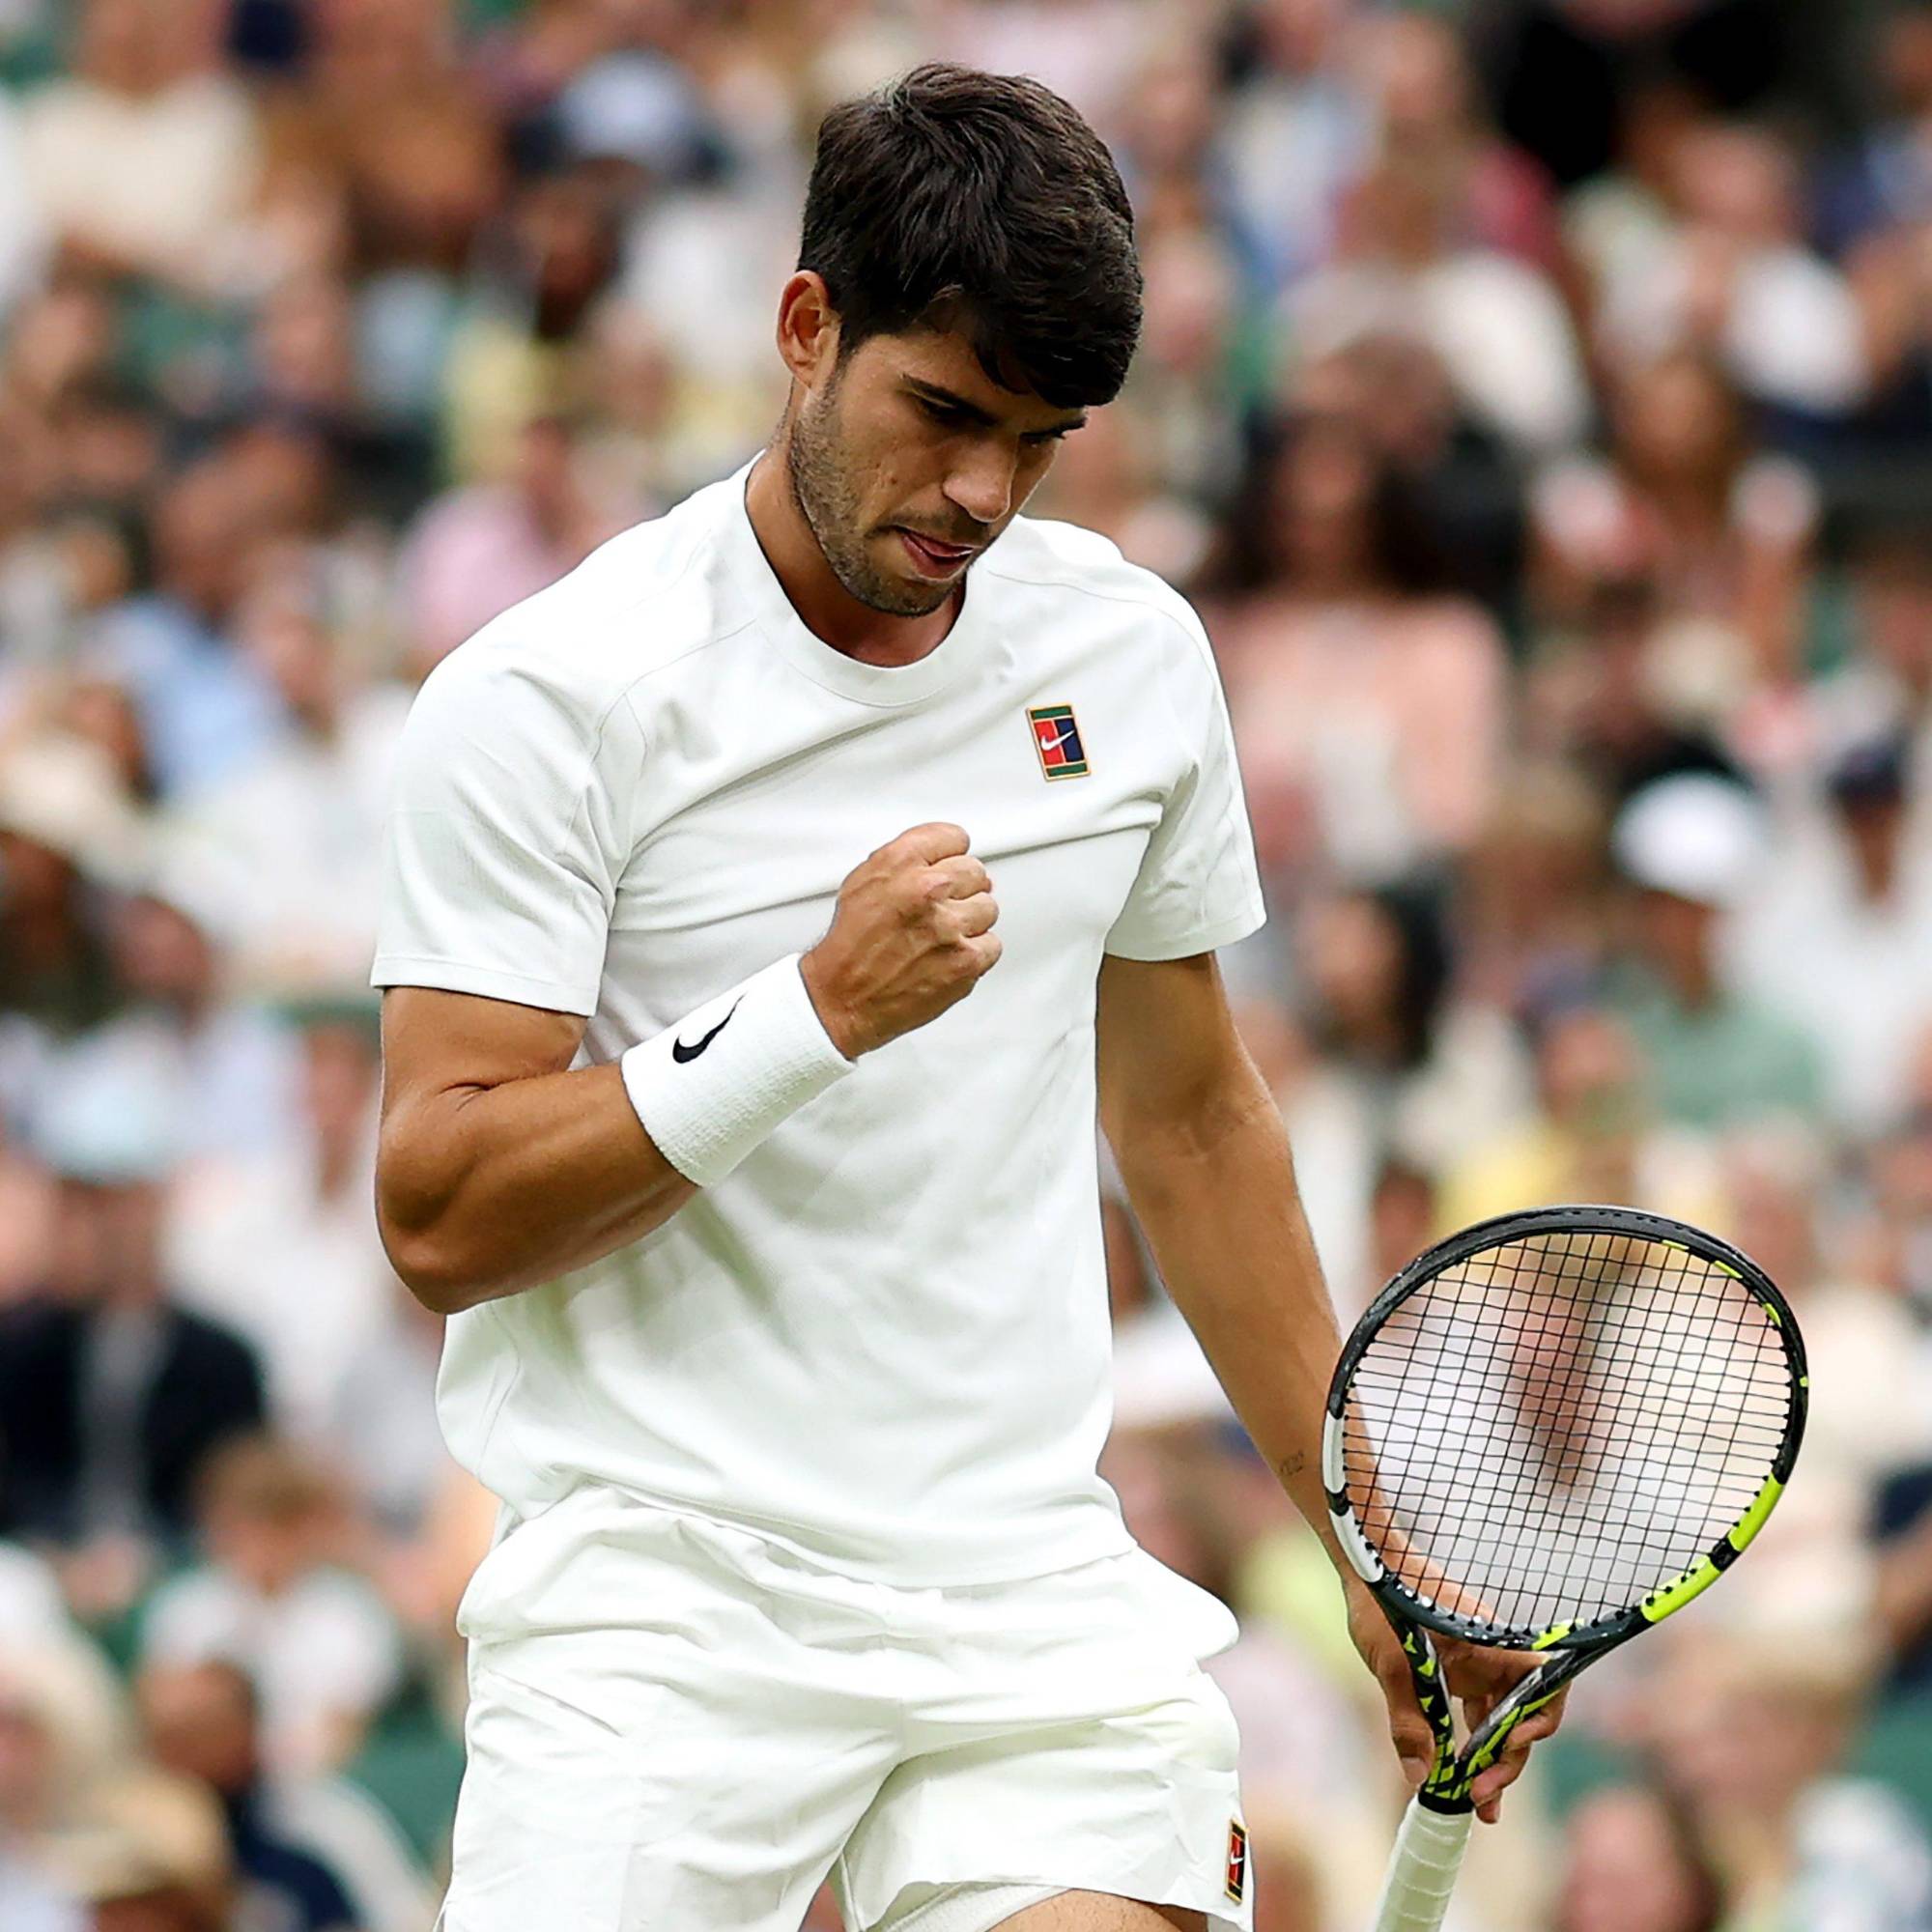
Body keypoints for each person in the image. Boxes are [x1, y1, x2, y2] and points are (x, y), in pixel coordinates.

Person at [369, 64, 1561, 1932]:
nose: (982, 495)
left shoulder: (1130, 655)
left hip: (1023, 1597)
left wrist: (1364, 1542)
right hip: (660, 1598)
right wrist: (811, 1012)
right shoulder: (549, 700)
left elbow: (1192, 1120)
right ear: (804, 327)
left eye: (1038, 440)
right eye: (941, 413)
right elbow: (439, 1215)